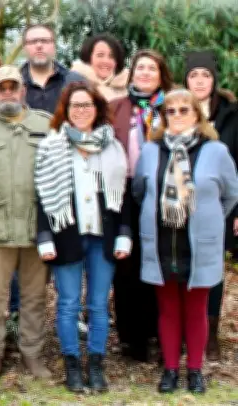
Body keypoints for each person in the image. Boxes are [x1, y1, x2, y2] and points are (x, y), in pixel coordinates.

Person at [132, 88, 238, 394]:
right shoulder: (150, 150)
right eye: (171, 111)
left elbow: (231, 195)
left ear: (197, 115)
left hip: (199, 242)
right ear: (164, 117)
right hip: (161, 240)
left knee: (196, 308)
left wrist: (208, 218)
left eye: (184, 110)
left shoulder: (216, 151)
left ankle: (194, 370)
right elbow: (139, 190)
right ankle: (169, 369)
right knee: (167, 308)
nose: (177, 116)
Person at [34, 82, 131, 393]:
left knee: (99, 305)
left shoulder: (112, 146)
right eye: (75, 105)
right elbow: (42, 196)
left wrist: (124, 235)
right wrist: (44, 237)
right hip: (66, 235)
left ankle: (97, 366)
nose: (81, 110)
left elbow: (123, 196)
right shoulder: (52, 146)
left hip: (104, 236)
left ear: (97, 108)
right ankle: (73, 366)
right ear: (65, 109)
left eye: (87, 105)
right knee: (68, 304)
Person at [0, 65, 52, 380]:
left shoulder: (45, 124)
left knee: (35, 298)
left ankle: (33, 356)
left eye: (12, 87)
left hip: (35, 229)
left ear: (23, 90)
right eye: (0, 88)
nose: (7, 93)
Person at [110, 49, 174, 363]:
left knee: (161, 260)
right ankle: (131, 338)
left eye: (152, 68)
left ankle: (161, 333)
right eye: (140, 68)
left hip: (164, 193)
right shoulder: (116, 107)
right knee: (127, 265)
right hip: (124, 194)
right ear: (132, 73)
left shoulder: (173, 107)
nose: (145, 73)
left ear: (161, 75)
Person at [184, 50, 238, 361]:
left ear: (214, 80)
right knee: (182, 266)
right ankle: (186, 330)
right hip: (180, 206)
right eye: (194, 75)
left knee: (212, 269)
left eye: (206, 75)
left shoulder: (231, 114)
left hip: (219, 207)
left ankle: (210, 333)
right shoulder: (177, 110)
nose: (200, 81)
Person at [20, 23, 86, 113]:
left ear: (54, 46)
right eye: (33, 41)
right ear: (24, 48)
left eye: (44, 41)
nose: (39, 45)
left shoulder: (76, 81)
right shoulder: (14, 84)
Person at [71, 33, 129, 102]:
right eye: (100, 55)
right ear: (88, 58)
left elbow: (140, 106)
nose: (106, 61)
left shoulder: (130, 88)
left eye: (112, 56)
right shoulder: (72, 86)